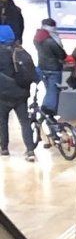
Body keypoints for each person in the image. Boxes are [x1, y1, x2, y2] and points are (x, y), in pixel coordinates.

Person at [0, 23, 38, 161]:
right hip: (21, 94)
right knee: (24, 122)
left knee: (2, 121)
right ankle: (30, 151)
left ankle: (4, 148)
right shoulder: (21, 52)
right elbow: (33, 71)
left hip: (3, 95)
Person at [33, 18, 67, 118]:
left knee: (49, 89)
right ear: (52, 27)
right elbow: (61, 54)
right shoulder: (51, 40)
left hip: (42, 67)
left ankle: (45, 110)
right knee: (53, 90)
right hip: (54, 68)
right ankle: (48, 110)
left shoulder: (37, 38)